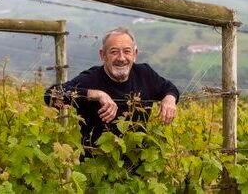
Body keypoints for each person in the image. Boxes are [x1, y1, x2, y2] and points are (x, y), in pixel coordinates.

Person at [44, 27, 179, 149]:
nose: (121, 58)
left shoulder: (144, 73)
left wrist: (169, 99)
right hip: (97, 162)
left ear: (135, 54)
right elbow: (50, 95)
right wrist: (95, 94)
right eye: (114, 52)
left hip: (138, 164)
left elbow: (169, 88)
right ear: (102, 55)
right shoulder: (91, 78)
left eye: (127, 51)